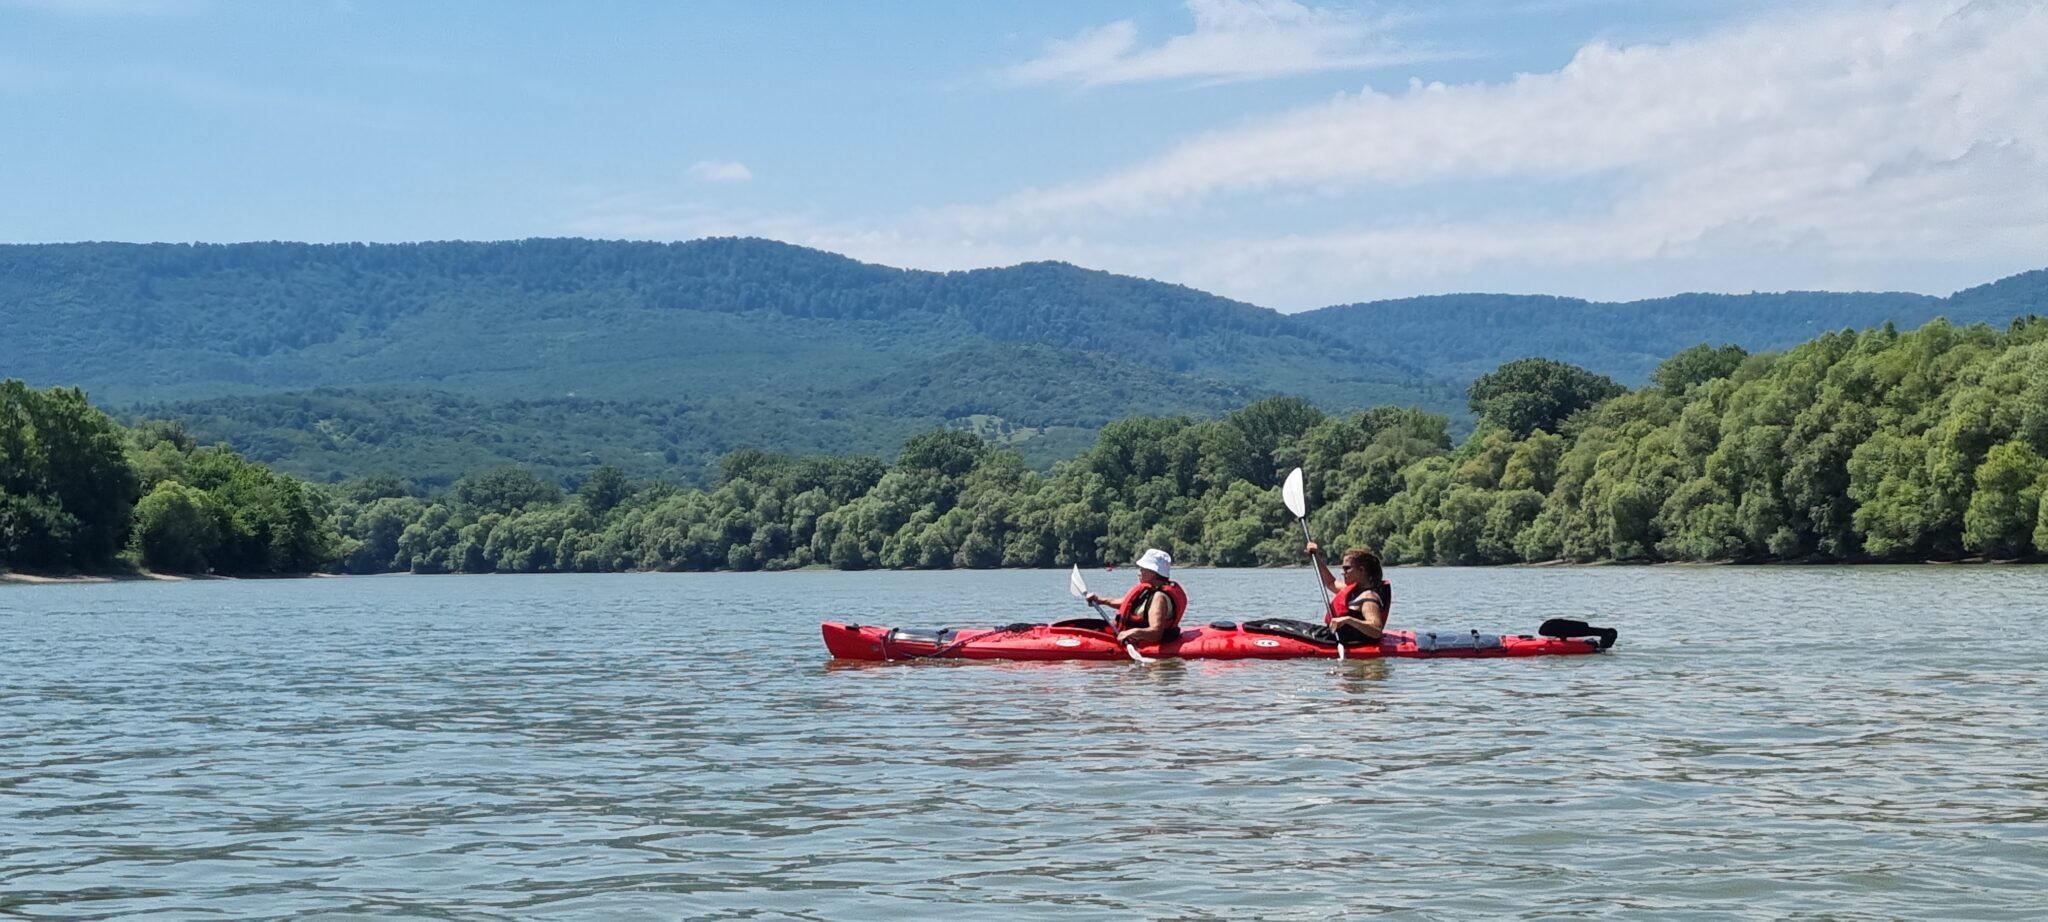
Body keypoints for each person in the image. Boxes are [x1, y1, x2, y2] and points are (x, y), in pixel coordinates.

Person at [1084, 547, 1187, 647]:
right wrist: (1100, 600)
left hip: (1148, 643)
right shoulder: (1151, 590)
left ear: (1152, 573)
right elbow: (1129, 604)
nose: (1139, 573)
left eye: (1142, 569)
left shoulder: (1159, 598)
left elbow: (1156, 633)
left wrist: (1131, 633)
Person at [1304, 541, 1389, 644]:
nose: (1342, 572)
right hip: (1335, 634)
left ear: (1361, 570)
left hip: (1351, 641)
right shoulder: (1355, 589)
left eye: (1347, 568)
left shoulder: (1369, 598)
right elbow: (1331, 583)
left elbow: (1377, 630)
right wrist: (1316, 557)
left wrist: (1348, 620)